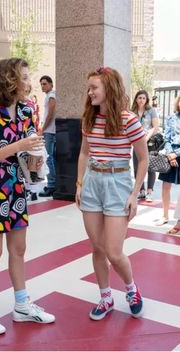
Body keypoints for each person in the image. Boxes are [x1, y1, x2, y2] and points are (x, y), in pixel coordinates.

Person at [0, 58, 55, 335]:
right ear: (9, 80)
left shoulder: (28, 110)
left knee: (18, 249)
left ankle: (22, 304)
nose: (29, 82)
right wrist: (19, 145)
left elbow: (27, 150)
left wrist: (34, 161)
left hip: (16, 187)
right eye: (25, 77)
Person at [76, 66, 148, 320]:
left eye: (94, 87)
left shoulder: (128, 119)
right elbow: (84, 152)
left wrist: (134, 194)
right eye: (90, 87)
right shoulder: (89, 118)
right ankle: (106, 297)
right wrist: (79, 184)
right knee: (97, 247)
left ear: (109, 88)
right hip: (92, 182)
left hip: (118, 184)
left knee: (114, 252)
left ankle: (131, 289)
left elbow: (143, 158)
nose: (90, 92)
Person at [131, 90, 159, 202]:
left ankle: (149, 191)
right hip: (136, 142)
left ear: (146, 99)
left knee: (150, 167)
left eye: (143, 98)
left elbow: (155, 127)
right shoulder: (132, 112)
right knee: (137, 167)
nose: (141, 100)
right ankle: (141, 191)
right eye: (139, 98)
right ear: (136, 99)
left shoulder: (151, 111)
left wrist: (146, 138)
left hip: (149, 142)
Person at [156, 95, 180, 226]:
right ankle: (165, 216)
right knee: (166, 186)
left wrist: (175, 154)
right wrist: (170, 153)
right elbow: (166, 138)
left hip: (177, 154)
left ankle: (179, 220)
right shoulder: (172, 117)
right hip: (171, 155)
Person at [38, 75, 56, 197]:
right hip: (50, 131)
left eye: (44, 84)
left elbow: (50, 114)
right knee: (52, 159)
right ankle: (53, 184)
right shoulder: (50, 95)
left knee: (48, 158)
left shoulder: (51, 96)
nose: (42, 86)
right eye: (41, 84)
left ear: (50, 84)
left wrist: (42, 130)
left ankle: (51, 185)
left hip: (50, 132)